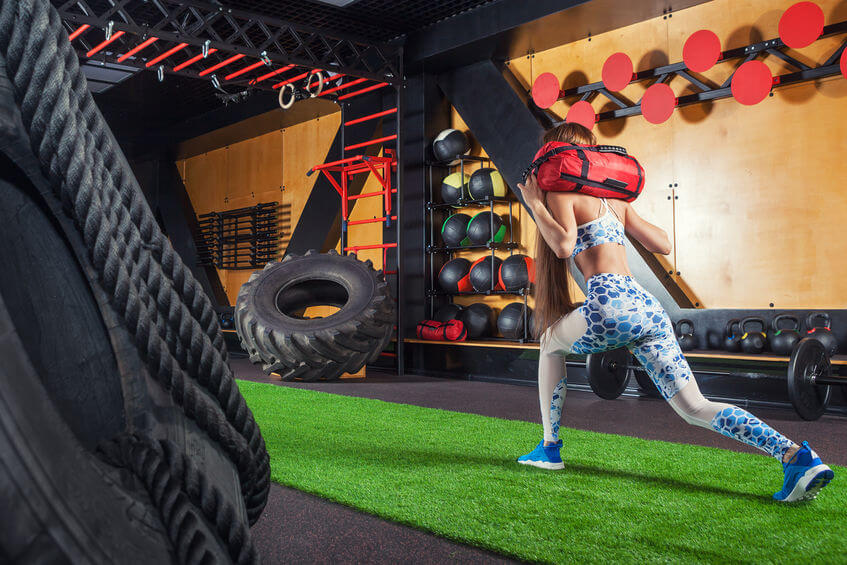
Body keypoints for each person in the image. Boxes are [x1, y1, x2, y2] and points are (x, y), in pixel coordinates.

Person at [515, 122, 833, 503]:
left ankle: (549, 449)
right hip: (648, 308)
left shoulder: (560, 193)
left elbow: (564, 246)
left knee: (551, 342)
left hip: (609, 304)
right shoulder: (616, 202)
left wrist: (534, 202)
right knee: (695, 406)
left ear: (555, 155)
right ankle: (796, 456)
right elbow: (663, 244)